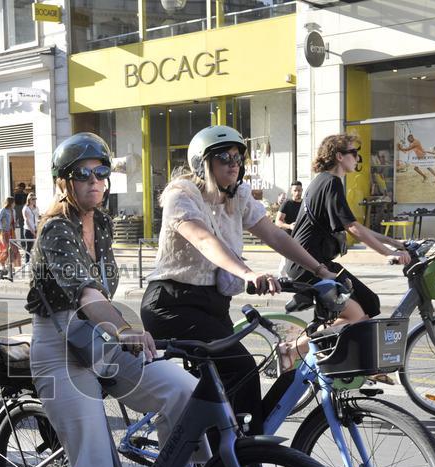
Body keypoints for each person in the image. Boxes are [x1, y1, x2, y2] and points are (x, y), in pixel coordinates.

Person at [25, 132, 200, 467]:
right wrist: (124, 327)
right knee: (95, 462)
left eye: (103, 172)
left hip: (98, 339)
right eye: (86, 174)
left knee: (184, 389)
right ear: (65, 181)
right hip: (59, 347)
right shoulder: (55, 229)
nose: (98, 181)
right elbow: (84, 292)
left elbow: (103, 290)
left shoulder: (99, 222)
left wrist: (123, 329)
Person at [140, 125, 337, 432]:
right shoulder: (182, 195)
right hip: (173, 303)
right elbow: (204, 240)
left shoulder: (238, 196)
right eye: (223, 157)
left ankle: (216, 450)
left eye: (237, 157)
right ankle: (237, 458)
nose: (233, 163)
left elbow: (273, 234)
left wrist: (321, 270)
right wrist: (248, 273)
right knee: (241, 369)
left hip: (213, 305)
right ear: (202, 163)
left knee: (226, 382)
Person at [283, 133, 411, 359]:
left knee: (369, 302)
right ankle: (293, 350)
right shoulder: (330, 183)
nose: (357, 158)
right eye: (354, 153)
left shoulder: (323, 181)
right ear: (339, 156)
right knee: (356, 315)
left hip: (313, 262)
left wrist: (394, 242)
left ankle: (335, 356)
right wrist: (389, 254)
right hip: (309, 265)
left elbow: (353, 225)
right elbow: (352, 228)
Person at [0, 197, 21, 271]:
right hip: (4, 232)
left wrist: (15, 224)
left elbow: (12, 220)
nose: (14, 204)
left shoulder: (13, 211)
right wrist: (2, 228)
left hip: (11, 231)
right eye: (13, 202)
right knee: (4, 248)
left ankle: (10, 265)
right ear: (10, 203)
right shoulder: (3, 210)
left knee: (12, 248)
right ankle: (3, 266)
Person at [22, 192, 39, 263]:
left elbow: (37, 217)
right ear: (29, 200)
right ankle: (27, 261)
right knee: (29, 246)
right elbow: (26, 220)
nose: (34, 200)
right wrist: (32, 230)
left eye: (35, 199)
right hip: (28, 229)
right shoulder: (26, 208)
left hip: (36, 228)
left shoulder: (36, 208)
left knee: (36, 246)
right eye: (33, 199)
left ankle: (35, 261)